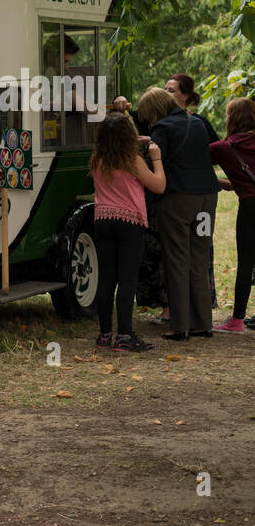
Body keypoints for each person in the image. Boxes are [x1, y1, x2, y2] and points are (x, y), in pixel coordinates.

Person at [139, 85, 221, 339]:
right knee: (199, 256)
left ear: (153, 111)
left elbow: (154, 161)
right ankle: (203, 323)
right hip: (207, 200)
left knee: (177, 259)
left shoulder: (161, 129)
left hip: (178, 201)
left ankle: (181, 325)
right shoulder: (197, 123)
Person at [89, 112, 166, 351]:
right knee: (127, 280)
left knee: (106, 278)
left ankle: (104, 335)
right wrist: (157, 158)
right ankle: (125, 335)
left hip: (103, 219)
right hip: (129, 221)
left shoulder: (97, 159)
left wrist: (141, 140)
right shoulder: (132, 160)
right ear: (127, 137)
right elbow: (159, 185)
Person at [209, 97, 255, 332]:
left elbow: (194, 167)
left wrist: (224, 182)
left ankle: (237, 320)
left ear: (232, 119)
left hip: (249, 205)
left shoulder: (222, 148)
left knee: (246, 262)